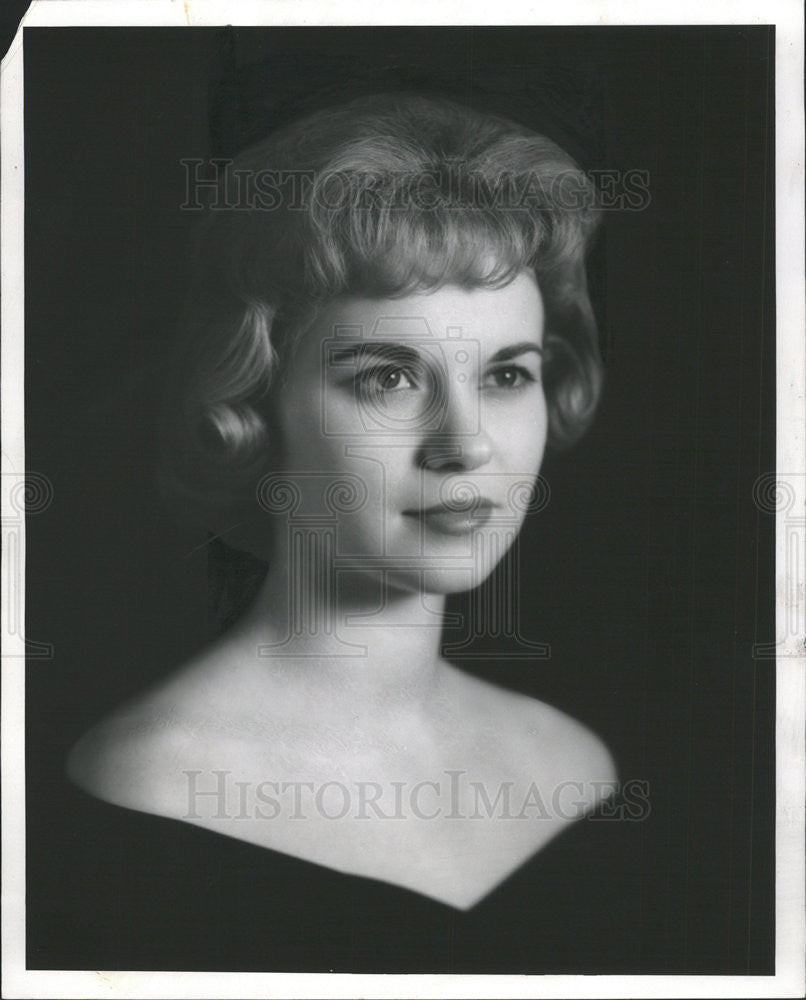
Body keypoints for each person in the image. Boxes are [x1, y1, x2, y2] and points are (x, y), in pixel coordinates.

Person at [66, 92, 616, 915]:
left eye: (506, 375)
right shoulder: (154, 785)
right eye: (387, 377)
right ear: (255, 403)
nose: (465, 445)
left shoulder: (573, 764)